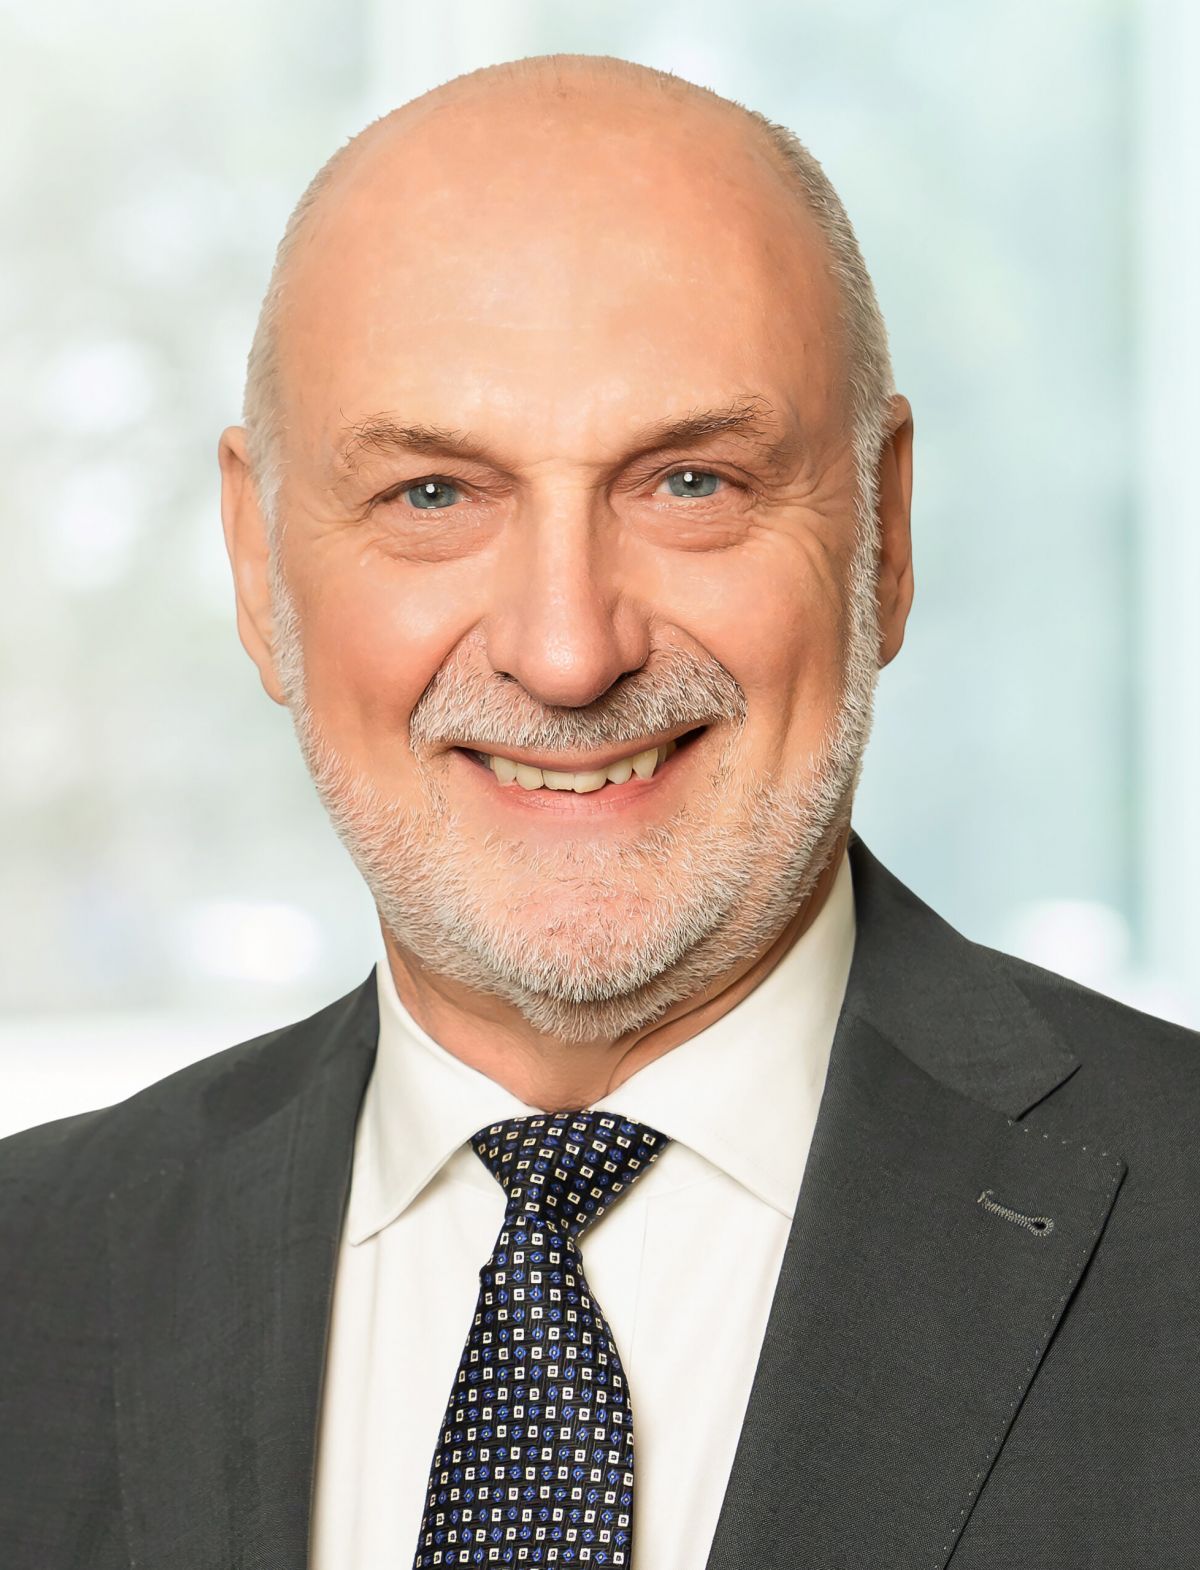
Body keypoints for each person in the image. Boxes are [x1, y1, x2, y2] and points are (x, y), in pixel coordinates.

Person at [1, 50, 1197, 1570]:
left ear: (885, 535)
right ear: (257, 565)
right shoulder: (31, 1283)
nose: (568, 652)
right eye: (434, 495)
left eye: (691, 482)